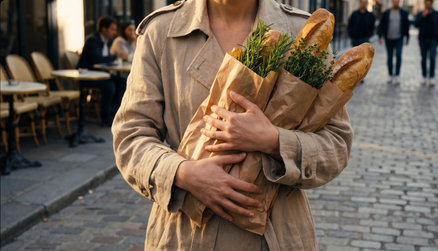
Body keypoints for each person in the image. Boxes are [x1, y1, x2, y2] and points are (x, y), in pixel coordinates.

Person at [112, 0, 353, 250]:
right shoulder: (161, 32)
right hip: (186, 236)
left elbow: (336, 145)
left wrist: (273, 140)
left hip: (275, 235)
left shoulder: (303, 32)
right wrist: (183, 173)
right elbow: (130, 137)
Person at [77, 16, 127, 126]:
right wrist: (116, 56)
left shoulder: (105, 42)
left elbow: (104, 60)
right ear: (104, 29)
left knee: (122, 81)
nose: (114, 32)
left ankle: (116, 111)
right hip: (88, 76)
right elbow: (98, 60)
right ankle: (106, 116)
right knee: (110, 86)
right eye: (112, 29)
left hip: (100, 74)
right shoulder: (93, 40)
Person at [415, 0, 438, 87]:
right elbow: (416, 24)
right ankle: (424, 76)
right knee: (424, 58)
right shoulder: (420, 13)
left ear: (432, 4)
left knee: (432, 57)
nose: (428, 4)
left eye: (429, 3)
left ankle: (432, 77)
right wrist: (422, 16)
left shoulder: (437, 14)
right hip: (423, 40)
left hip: (434, 40)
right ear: (425, 4)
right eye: (426, 3)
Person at [377, 0, 410, 85]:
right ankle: (390, 75)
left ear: (399, 2)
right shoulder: (387, 13)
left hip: (399, 38)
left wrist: (407, 38)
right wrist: (380, 36)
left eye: (397, 1)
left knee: (398, 55)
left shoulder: (403, 13)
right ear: (392, 2)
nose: (396, 2)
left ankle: (397, 75)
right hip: (389, 38)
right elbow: (381, 25)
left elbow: (406, 26)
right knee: (390, 57)